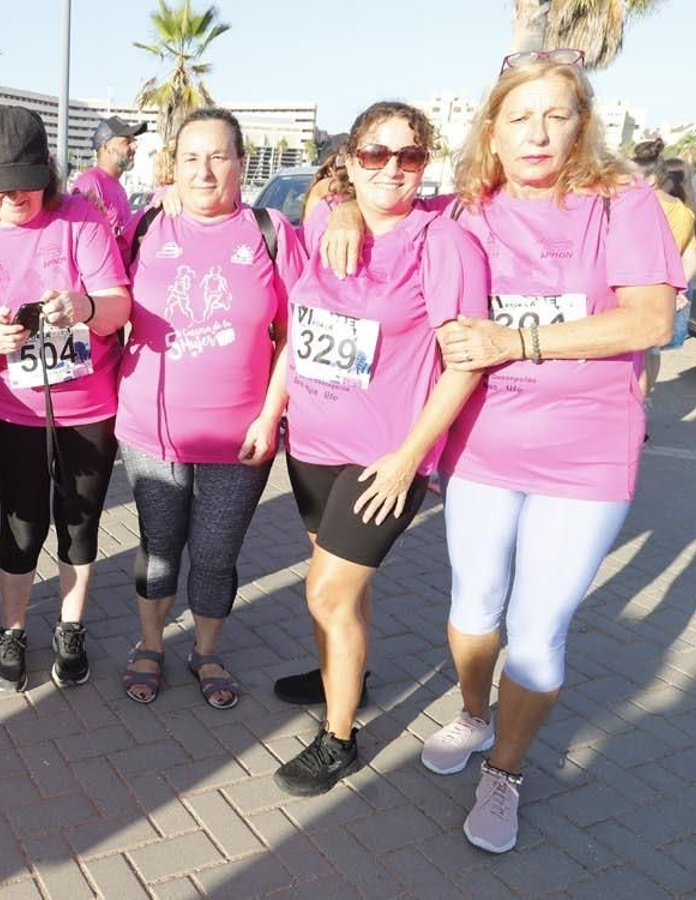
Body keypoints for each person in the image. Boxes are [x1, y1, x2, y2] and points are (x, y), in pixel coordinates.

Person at [315, 51, 682, 852]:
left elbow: (650, 322)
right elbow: (386, 188)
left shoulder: (622, 203)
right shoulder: (469, 206)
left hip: (587, 457)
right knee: (474, 609)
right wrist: (341, 202)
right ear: (493, 128)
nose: (538, 132)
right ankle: (474, 714)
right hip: (481, 445)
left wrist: (516, 339)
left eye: (556, 114)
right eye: (519, 116)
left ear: (583, 123)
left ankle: (505, 774)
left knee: (538, 628)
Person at [264, 102, 488, 798]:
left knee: (326, 592)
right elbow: (301, 331)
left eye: (411, 156)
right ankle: (344, 676)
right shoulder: (325, 216)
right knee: (339, 593)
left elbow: (465, 363)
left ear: (428, 162)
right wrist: (272, 412)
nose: (393, 168)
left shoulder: (444, 243)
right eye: (375, 154)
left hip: (383, 460)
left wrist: (409, 456)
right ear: (350, 159)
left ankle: (339, 740)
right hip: (312, 446)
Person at [114, 108, 304, 710]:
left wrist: (270, 414)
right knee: (159, 544)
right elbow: (102, 297)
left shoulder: (270, 231)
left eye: (218, 156)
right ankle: (149, 644)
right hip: (152, 430)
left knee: (218, 552)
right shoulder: (146, 227)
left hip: (239, 437)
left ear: (242, 164)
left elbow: (297, 332)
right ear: (174, 166)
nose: (204, 171)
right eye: (191, 158)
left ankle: (206, 650)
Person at [0, 106, 131, 692]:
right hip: (13, 410)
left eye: (29, 182)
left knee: (78, 523)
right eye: (3, 187)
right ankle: (12, 629)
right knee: (21, 525)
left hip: (89, 408)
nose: (17, 197)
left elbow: (117, 306)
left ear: (48, 171)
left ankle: (70, 626)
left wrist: (82, 307)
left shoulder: (81, 219)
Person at [632, 139, 696, 394]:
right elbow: (691, 254)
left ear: (649, 180)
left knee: (633, 352)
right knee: (652, 350)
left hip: (638, 289)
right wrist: (677, 288)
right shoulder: (684, 211)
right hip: (664, 292)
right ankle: (645, 400)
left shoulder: (641, 206)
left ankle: (633, 405)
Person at [72, 116, 146, 258]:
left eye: (134, 141)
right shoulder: (89, 184)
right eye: (127, 141)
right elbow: (80, 243)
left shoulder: (119, 187)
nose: (134, 147)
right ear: (106, 147)